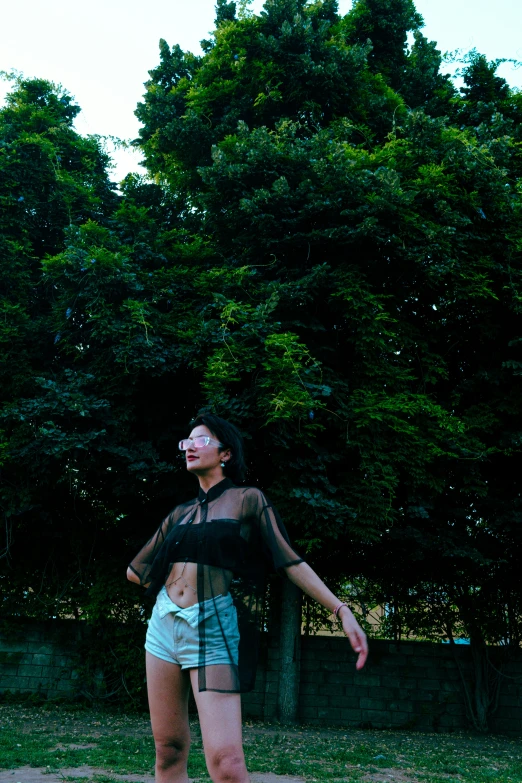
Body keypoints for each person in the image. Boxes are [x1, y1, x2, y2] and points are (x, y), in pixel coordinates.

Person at [127, 413, 368, 783]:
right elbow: (136, 570)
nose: (190, 446)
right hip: (162, 629)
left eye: (201, 440)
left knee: (228, 766)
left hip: (211, 628)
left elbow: (289, 560)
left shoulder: (246, 500)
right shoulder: (180, 514)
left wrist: (340, 609)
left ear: (225, 453)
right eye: (186, 442)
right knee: (168, 750)